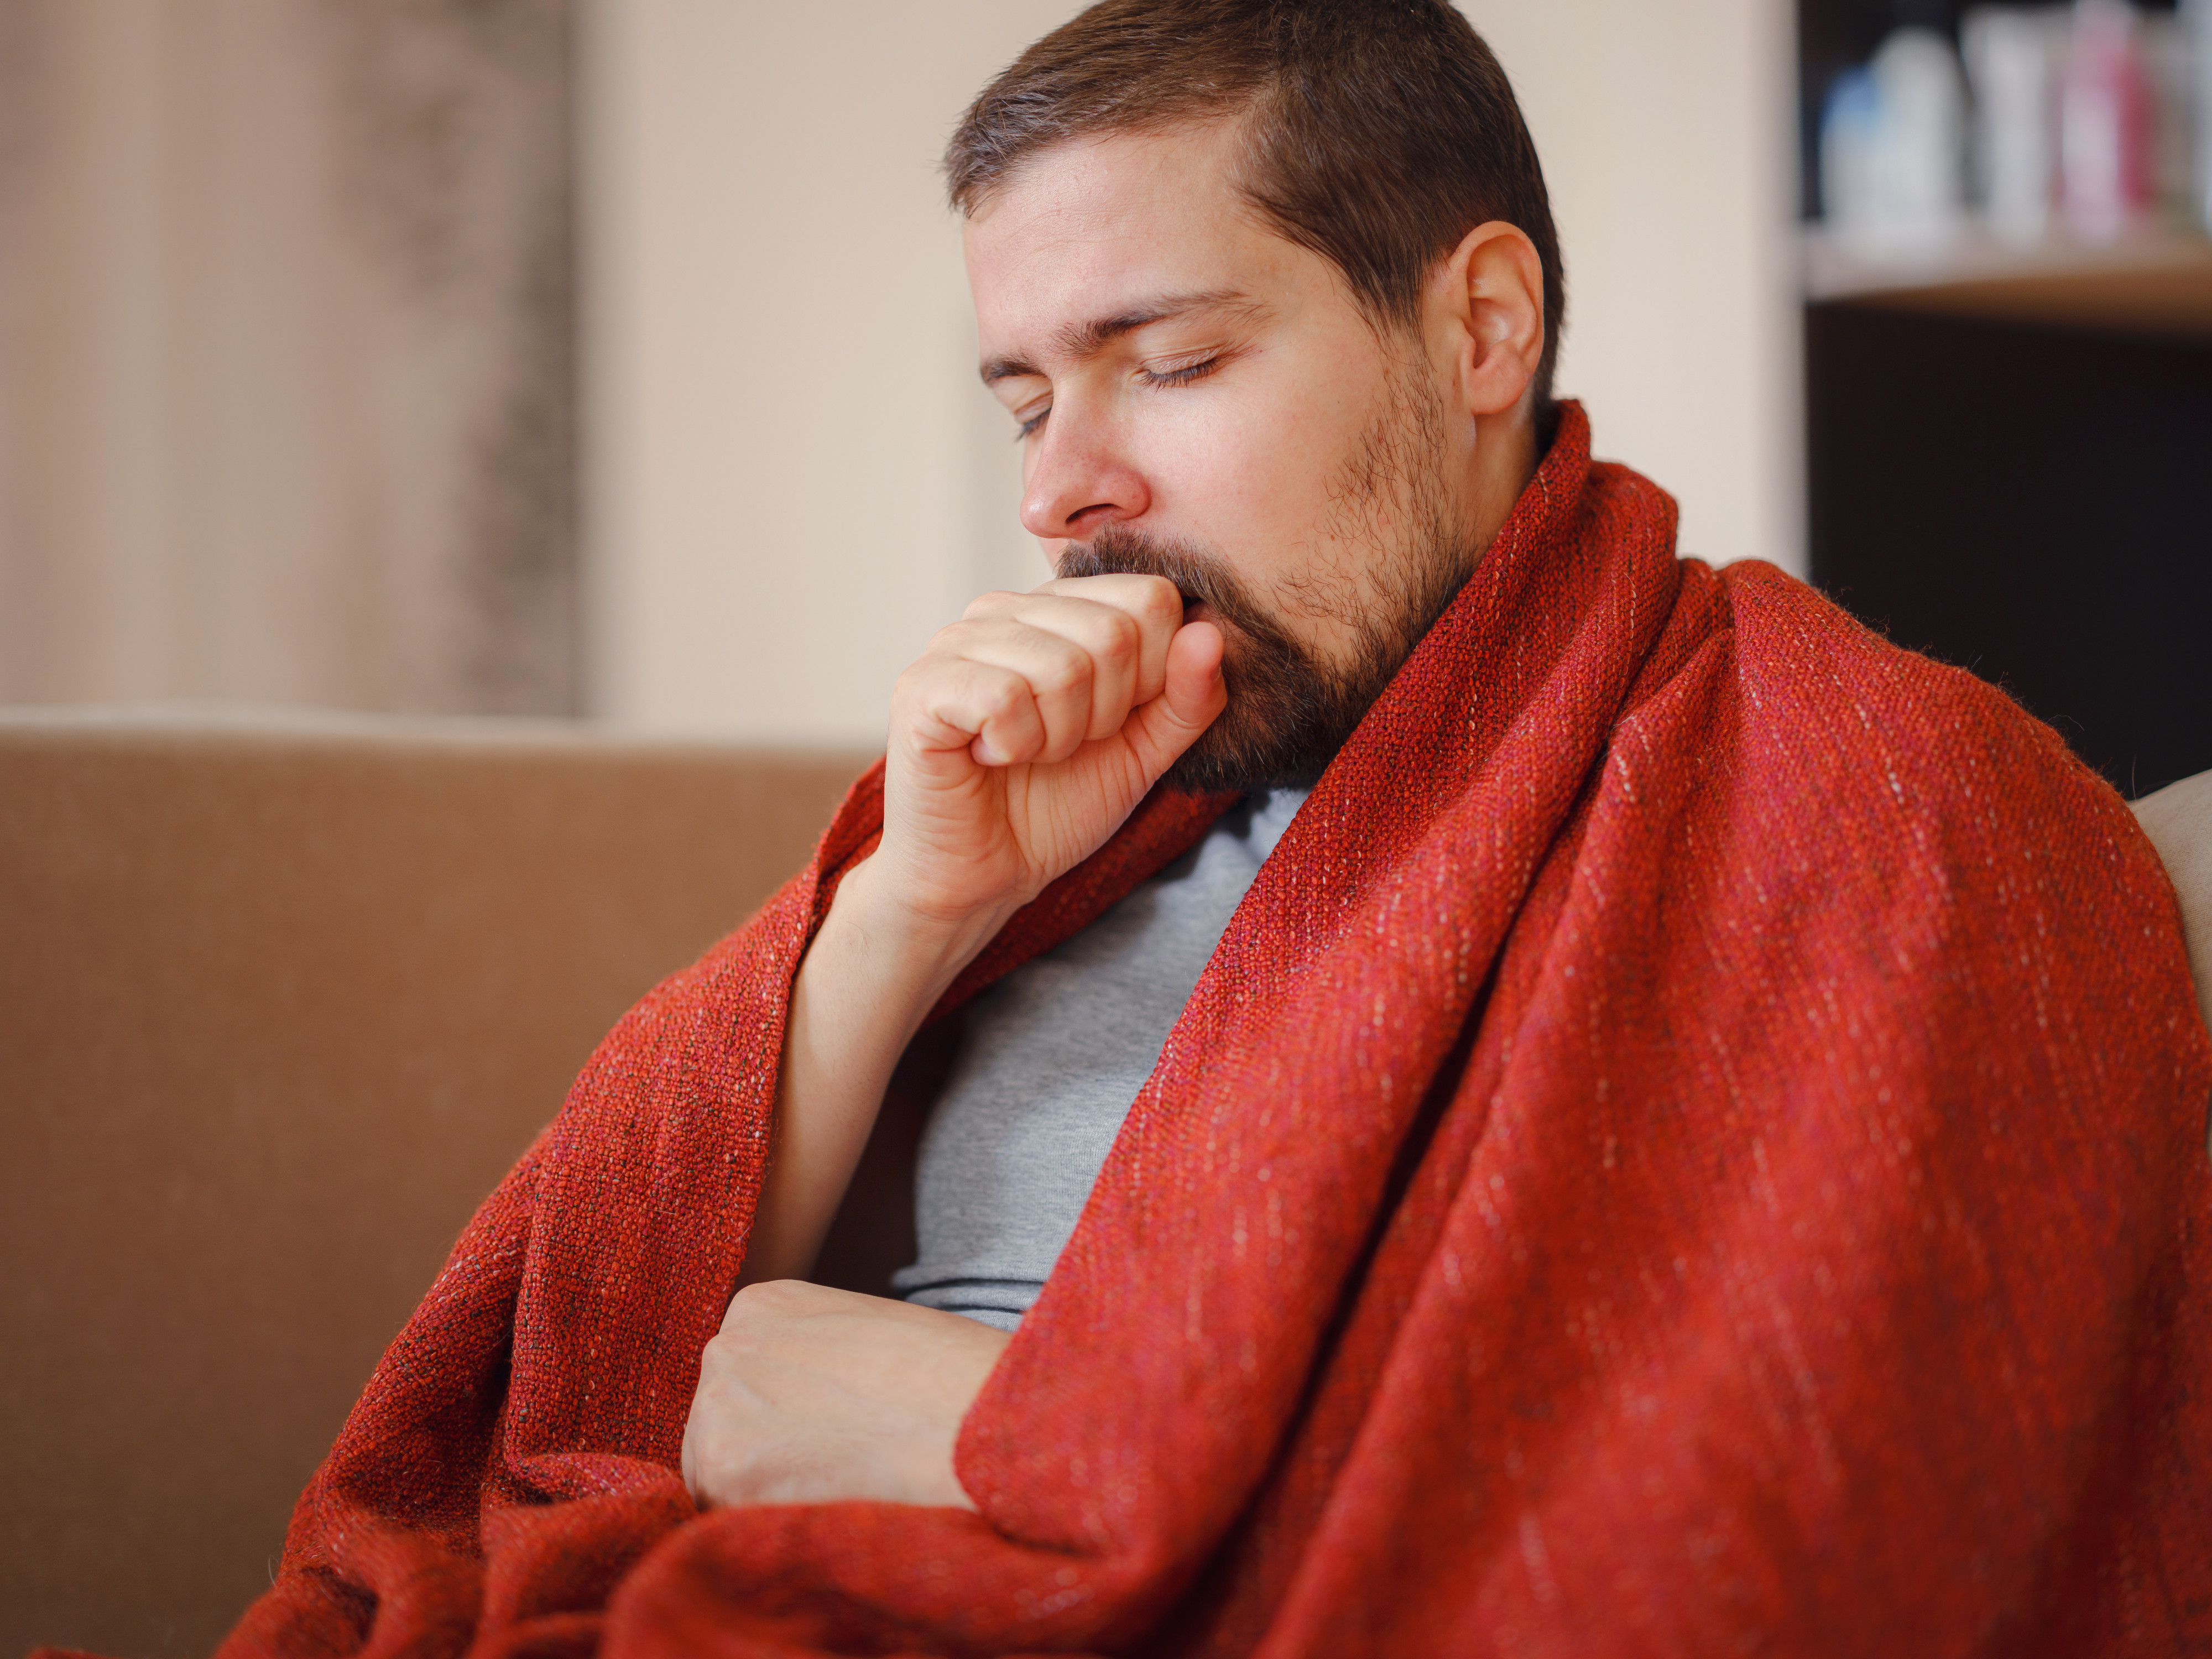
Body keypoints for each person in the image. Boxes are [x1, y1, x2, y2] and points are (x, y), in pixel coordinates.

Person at [208, 3, 2212, 1655]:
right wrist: (910, 913)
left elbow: (1756, 1535)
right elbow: (602, 1378)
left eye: (1168, 363)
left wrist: (993, 1440)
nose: (1063, 492)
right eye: (1023, 402)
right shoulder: (1069, 830)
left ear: (1482, 328)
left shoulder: (1846, 788)